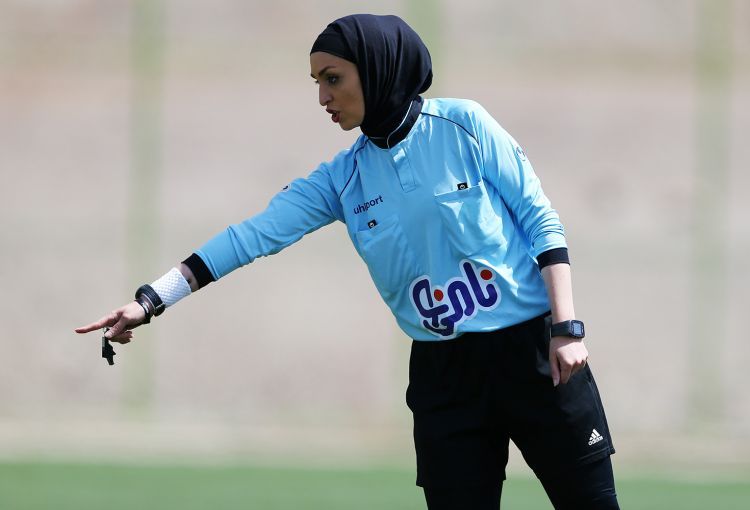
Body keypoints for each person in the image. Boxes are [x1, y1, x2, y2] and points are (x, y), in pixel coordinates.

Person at [76, 14, 619, 510]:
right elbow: (250, 237)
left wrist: (566, 327)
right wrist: (151, 300)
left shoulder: (465, 124)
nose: (322, 97)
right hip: (444, 376)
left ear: (377, 69)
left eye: (333, 78)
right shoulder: (342, 178)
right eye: (317, 82)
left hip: (536, 352)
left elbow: (541, 222)